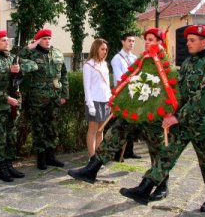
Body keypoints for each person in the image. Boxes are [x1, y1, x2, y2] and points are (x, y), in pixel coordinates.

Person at [119, 25, 205, 211]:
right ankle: (146, 187)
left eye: (192, 40)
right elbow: (178, 92)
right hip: (184, 122)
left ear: (204, 41)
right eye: (188, 40)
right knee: (166, 154)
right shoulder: (188, 63)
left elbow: (204, 100)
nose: (188, 43)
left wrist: (177, 117)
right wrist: (170, 109)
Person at [67, 28, 172, 202]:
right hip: (136, 110)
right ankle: (92, 169)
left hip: (153, 113)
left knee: (158, 149)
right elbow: (130, 80)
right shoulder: (144, 59)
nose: (147, 42)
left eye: (151, 39)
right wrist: (119, 100)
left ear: (160, 42)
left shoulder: (161, 61)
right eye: (146, 39)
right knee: (115, 132)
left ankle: (161, 185)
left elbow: (167, 87)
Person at [0, 30, 37, 182]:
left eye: (7, 40)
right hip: (0, 107)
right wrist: (6, 98)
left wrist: (20, 69)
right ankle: (2, 169)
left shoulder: (14, 58)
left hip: (14, 106)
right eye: (3, 41)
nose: (7, 43)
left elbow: (34, 65)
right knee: (1, 138)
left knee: (11, 137)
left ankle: (10, 165)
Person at [20, 29, 69, 170]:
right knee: (38, 128)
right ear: (38, 41)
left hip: (55, 96)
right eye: (44, 38)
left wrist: (64, 94)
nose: (47, 41)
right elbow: (16, 58)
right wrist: (28, 47)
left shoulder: (58, 53)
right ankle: (41, 159)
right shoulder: (32, 54)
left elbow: (64, 75)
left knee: (52, 127)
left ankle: (51, 157)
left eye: (49, 38)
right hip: (38, 98)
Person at [110, 32, 141, 160]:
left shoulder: (134, 58)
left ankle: (129, 151)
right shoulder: (116, 59)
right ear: (123, 42)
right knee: (121, 125)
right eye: (129, 40)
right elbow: (119, 79)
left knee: (132, 124)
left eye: (133, 41)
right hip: (122, 95)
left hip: (133, 94)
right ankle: (117, 153)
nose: (131, 43)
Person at [83, 39, 111, 157]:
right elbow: (87, 86)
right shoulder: (88, 65)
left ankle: (98, 158)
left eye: (106, 49)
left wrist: (110, 100)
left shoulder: (104, 64)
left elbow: (107, 84)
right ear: (96, 49)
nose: (105, 51)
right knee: (93, 131)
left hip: (105, 100)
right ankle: (91, 157)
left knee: (101, 131)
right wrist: (90, 105)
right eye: (102, 49)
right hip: (94, 101)